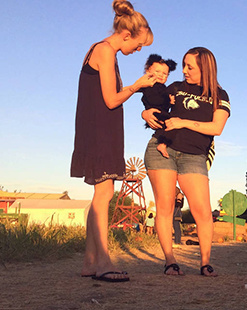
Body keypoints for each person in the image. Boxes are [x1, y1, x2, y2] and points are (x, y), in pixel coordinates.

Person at [70, 0, 154, 282]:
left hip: (100, 130)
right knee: (104, 195)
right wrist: (136, 86)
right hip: (99, 132)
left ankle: (90, 263)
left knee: (101, 195)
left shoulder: (105, 51)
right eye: (139, 44)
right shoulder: (105, 51)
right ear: (127, 35)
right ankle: (104, 263)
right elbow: (111, 99)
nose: (139, 50)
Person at [142, 47, 230, 277]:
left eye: (190, 67)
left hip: (194, 155)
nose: (184, 71)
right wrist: (146, 113)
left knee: (202, 211)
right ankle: (170, 262)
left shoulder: (220, 96)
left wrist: (182, 122)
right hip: (162, 149)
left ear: (205, 68)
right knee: (165, 207)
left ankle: (205, 263)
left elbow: (216, 128)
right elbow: (153, 101)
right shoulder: (176, 88)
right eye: (183, 65)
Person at [138, 54, 178, 158]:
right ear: (148, 71)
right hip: (155, 112)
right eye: (157, 71)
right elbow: (156, 100)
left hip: (160, 112)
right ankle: (162, 144)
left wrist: (170, 101)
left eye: (165, 74)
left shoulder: (164, 88)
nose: (161, 75)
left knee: (168, 127)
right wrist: (169, 101)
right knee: (173, 124)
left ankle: (163, 143)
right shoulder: (148, 85)